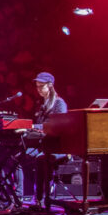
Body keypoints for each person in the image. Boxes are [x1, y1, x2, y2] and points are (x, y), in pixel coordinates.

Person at [26, 71, 69, 208]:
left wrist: (33, 126)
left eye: (41, 86)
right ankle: (21, 195)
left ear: (50, 86)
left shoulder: (59, 103)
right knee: (19, 157)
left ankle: (40, 198)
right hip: (43, 144)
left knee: (41, 158)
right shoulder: (41, 104)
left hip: (58, 146)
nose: (38, 90)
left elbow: (58, 126)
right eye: (37, 87)